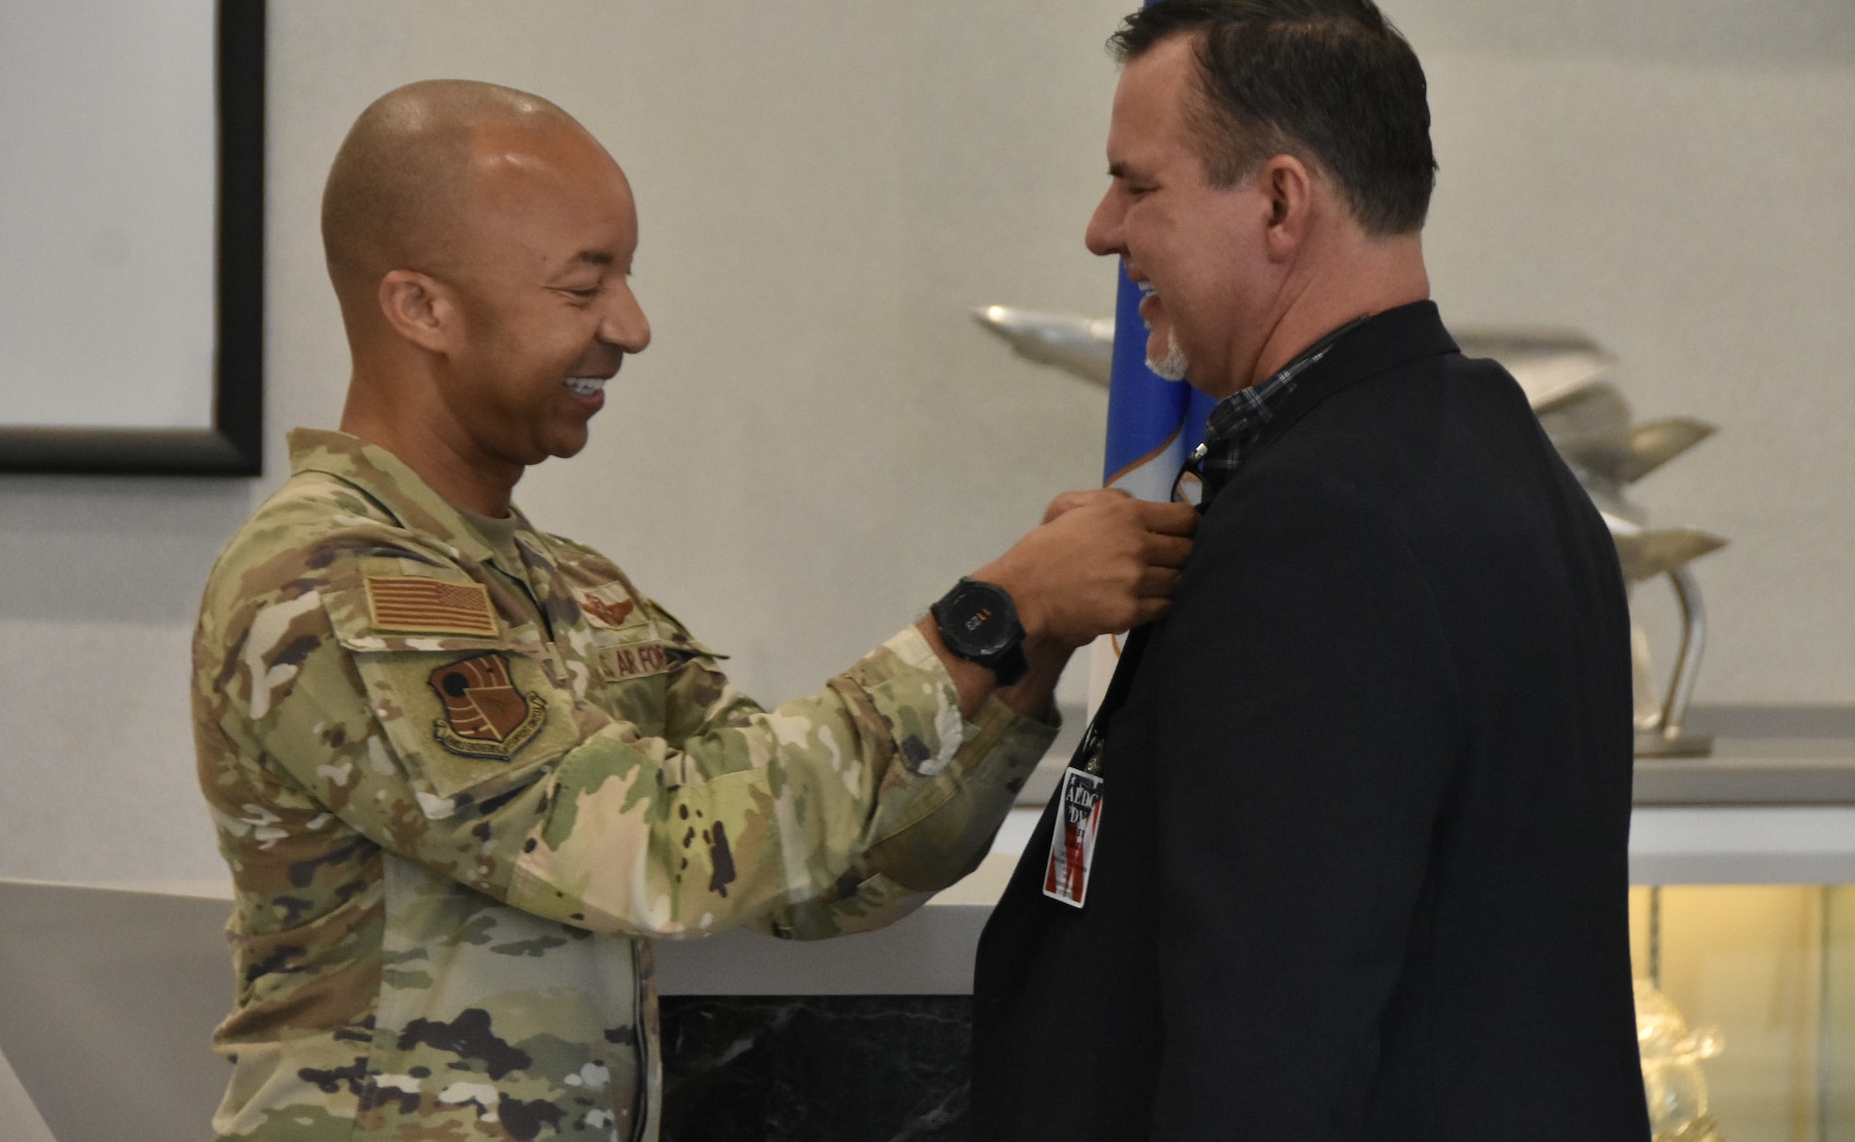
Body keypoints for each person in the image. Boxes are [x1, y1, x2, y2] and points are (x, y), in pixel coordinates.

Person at [190, 79, 1198, 1141]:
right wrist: (988, 613)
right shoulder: (328, 577)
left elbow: (821, 876)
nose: (631, 326)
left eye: (625, 279)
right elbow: (663, 855)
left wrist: (1023, 659)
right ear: (421, 308)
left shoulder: (570, 586)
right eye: (583, 289)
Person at [971, 0, 1650, 1138]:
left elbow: (1268, 1042)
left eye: (1137, 187)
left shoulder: (1318, 524)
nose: (1102, 230)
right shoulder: (1493, 460)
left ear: (1280, 204)